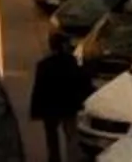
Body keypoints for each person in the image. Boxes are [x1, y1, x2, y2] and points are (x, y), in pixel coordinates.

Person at [28, 32, 93, 162]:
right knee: (71, 135)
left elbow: (39, 89)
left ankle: (54, 158)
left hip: (50, 108)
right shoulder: (71, 62)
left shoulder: (44, 65)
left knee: (52, 137)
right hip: (68, 106)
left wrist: (35, 110)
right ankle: (72, 158)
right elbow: (80, 82)